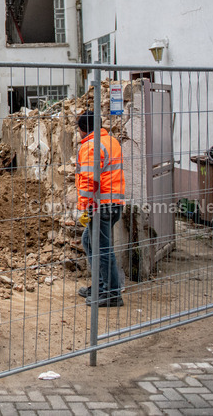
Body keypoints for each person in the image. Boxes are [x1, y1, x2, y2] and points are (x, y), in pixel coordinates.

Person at [75, 111, 126, 307]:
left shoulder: (90, 146)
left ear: (83, 130)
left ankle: (111, 293)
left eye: (79, 129)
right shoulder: (111, 141)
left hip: (100, 205)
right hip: (113, 203)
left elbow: (88, 180)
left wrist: (86, 208)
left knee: (102, 248)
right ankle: (100, 286)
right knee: (89, 240)